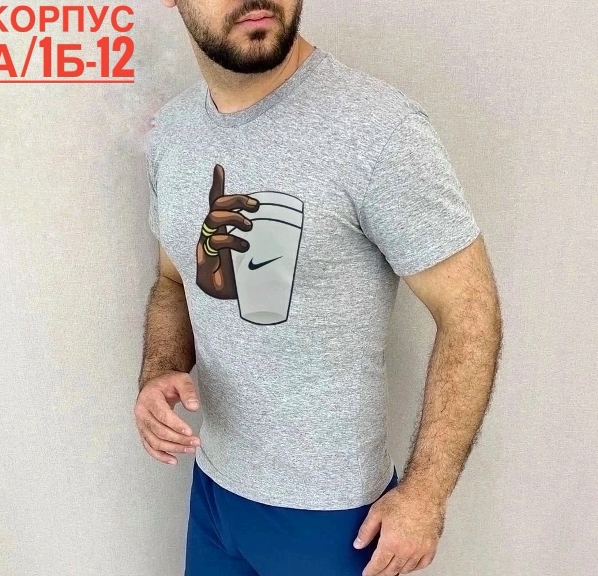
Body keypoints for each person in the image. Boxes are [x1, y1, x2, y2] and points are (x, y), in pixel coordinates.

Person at [134, 1, 503, 574]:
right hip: (213, 490)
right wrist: (159, 371)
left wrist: (426, 495)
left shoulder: (378, 129)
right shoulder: (172, 133)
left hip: (332, 518)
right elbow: (171, 281)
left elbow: (470, 313)